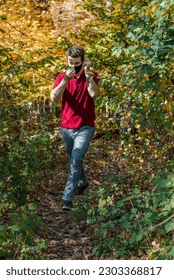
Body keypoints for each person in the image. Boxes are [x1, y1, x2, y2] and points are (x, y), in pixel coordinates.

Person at [50, 46, 100, 211]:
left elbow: (93, 94)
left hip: (85, 127)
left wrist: (87, 75)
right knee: (74, 159)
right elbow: (53, 98)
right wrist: (65, 80)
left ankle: (67, 199)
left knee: (76, 159)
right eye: (70, 62)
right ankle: (83, 182)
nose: (73, 66)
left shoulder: (91, 75)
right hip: (66, 127)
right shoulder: (62, 77)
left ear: (83, 62)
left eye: (77, 63)